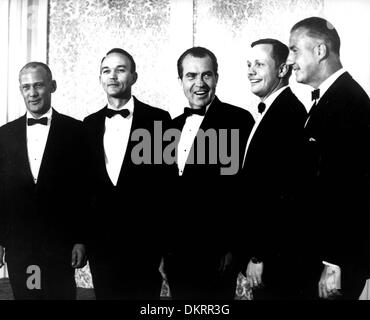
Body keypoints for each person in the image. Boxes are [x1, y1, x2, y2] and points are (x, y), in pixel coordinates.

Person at [287, 16, 370, 299]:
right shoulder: (332, 97)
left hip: (334, 264)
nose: (290, 60)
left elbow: (351, 189)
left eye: (295, 49)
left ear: (320, 51)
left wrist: (334, 262)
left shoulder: (348, 102)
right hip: (320, 259)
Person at [165, 46, 254, 299]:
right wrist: (163, 252)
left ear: (216, 77)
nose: (199, 83)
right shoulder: (171, 127)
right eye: (191, 76)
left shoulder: (239, 120)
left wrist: (232, 248)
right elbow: (167, 194)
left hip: (217, 255)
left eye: (207, 75)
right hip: (176, 255)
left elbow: (243, 191)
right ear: (181, 80)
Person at [83, 48, 172, 299]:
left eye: (120, 70)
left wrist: (165, 249)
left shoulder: (159, 120)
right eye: (106, 71)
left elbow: (165, 188)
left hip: (145, 246)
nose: (112, 76)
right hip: (102, 246)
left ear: (134, 76)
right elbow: (84, 188)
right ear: (100, 77)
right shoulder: (88, 125)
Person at [0, 62, 87, 300]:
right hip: (19, 246)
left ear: (52, 86)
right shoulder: (4, 135)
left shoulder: (77, 132)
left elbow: (84, 190)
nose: (33, 92)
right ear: (21, 90)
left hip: (60, 246)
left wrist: (81, 239)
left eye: (38, 85)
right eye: (26, 87)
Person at [237, 39, 307, 300]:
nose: (251, 71)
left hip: (274, 261)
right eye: (248, 64)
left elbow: (284, 196)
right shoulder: (274, 110)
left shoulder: (287, 114)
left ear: (282, 70)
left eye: (259, 64)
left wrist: (259, 255)